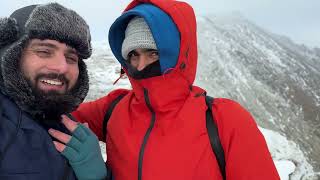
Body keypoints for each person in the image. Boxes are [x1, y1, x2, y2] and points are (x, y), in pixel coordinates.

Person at [52, 0, 280, 179]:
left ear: (178, 53)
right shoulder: (114, 108)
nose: (141, 66)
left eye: (153, 53)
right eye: (134, 55)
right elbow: (46, 115)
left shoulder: (225, 121)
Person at [0, 3, 106, 180]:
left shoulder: (66, 125)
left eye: (71, 58)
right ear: (11, 55)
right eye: (44, 51)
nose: (62, 67)